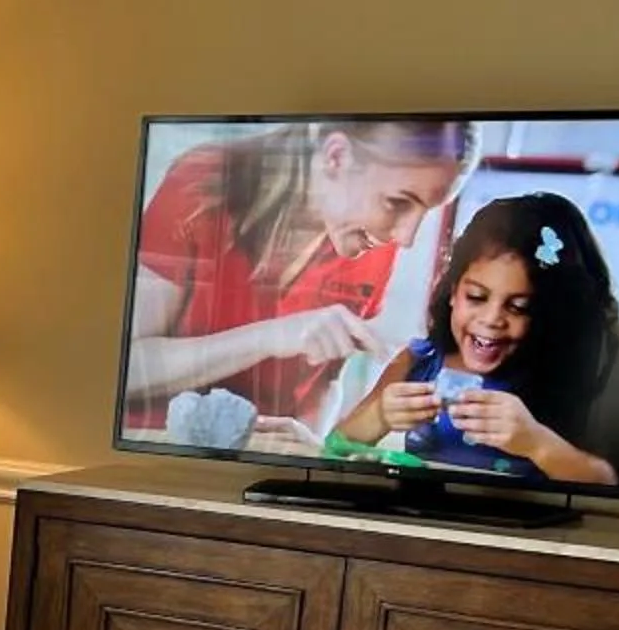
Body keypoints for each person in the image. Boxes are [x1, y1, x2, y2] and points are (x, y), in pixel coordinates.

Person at [122, 119, 478, 440]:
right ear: (336, 156)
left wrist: (308, 448)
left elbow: (323, 383)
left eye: (425, 212)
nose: (406, 237)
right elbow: (129, 373)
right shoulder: (203, 180)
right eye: (398, 202)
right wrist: (271, 337)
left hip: (262, 468)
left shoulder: (372, 244)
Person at [329, 193, 619, 487]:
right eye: (477, 297)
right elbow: (333, 451)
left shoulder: (575, 378)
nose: (491, 319)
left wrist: (536, 443)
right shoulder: (418, 363)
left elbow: (611, 484)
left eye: (518, 307)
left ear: (551, 313)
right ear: (453, 291)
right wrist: (379, 416)